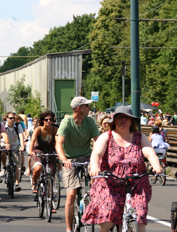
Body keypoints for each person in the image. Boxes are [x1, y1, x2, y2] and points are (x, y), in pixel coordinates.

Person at [82, 105, 162, 232]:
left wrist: (156, 166)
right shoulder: (106, 136)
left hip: (136, 185)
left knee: (139, 216)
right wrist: (95, 168)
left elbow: (149, 153)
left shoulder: (139, 137)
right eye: (119, 118)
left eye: (126, 118)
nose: (123, 120)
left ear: (132, 121)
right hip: (110, 183)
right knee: (109, 216)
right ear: (114, 121)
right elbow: (96, 154)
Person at [55, 96, 100, 232]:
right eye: (87, 106)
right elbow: (59, 143)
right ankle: (69, 229)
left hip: (87, 157)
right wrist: (64, 160)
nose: (89, 108)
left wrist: (98, 160)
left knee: (98, 183)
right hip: (71, 160)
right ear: (79, 108)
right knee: (71, 194)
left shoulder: (90, 122)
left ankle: (94, 206)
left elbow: (98, 141)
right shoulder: (66, 122)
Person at [28, 111, 58, 204]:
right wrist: (30, 151)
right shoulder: (38, 129)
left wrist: (59, 153)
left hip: (51, 153)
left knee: (51, 177)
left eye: (51, 119)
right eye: (46, 119)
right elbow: (32, 140)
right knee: (38, 168)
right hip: (39, 153)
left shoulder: (54, 130)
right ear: (42, 120)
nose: (49, 121)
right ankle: (35, 182)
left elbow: (57, 143)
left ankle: (50, 202)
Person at [4, 112, 25, 191]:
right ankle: (4, 167)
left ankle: (17, 184)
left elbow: (21, 135)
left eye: (13, 118)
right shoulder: (3, 126)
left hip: (15, 145)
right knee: (3, 155)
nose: (12, 120)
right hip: (5, 144)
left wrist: (22, 146)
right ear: (7, 118)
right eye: (10, 118)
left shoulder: (17, 125)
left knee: (16, 165)